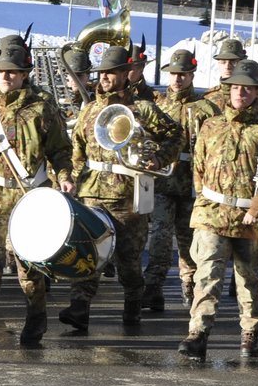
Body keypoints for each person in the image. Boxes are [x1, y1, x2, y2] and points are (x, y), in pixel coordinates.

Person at [179, 59, 258, 362]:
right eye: (236, 87)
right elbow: (199, 167)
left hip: (248, 217)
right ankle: (198, 334)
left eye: (248, 88)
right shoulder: (211, 125)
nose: (240, 92)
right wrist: (205, 201)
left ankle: (250, 331)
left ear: (257, 91)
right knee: (207, 274)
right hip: (213, 213)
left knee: (247, 278)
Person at [0, 43, 73, 349]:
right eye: (1, 72)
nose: (5, 76)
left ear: (25, 75)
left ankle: (36, 315)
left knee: (29, 267)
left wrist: (64, 177)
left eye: (12, 72)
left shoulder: (42, 107)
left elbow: (61, 150)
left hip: (29, 197)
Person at [65, 45, 181, 331]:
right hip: (92, 193)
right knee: (88, 252)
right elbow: (78, 148)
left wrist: (159, 157)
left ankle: (132, 308)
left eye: (112, 72)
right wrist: (74, 179)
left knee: (128, 259)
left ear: (125, 75)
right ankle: (79, 309)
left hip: (127, 196)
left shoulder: (143, 109)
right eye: (102, 72)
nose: (105, 77)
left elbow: (176, 135)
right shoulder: (90, 110)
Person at [144, 48, 205, 308]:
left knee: (188, 239)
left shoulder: (204, 108)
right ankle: (153, 287)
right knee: (158, 235)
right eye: (173, 74)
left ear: (191, 75)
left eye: (183, 74)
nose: (177, 79)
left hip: (191, 183)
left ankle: (189, 287)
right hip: (163, 181)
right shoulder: (158, 106)